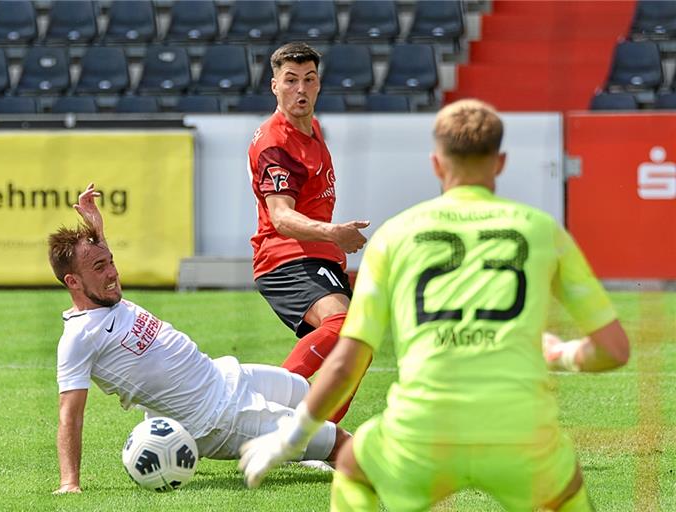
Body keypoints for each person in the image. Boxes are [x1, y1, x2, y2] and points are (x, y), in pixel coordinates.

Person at [239, 99, 631, 511]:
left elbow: (348, 359)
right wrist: (563, 353)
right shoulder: (541, 230)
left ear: (436, 164)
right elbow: (614, 349)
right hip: (520, 435)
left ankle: (264, 406)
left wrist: (293, 436)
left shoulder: (397, 236)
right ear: (500, 163)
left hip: (420, 433)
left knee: (354, 467)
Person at [49, 183, 349, 494]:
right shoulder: (79, 337)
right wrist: (69, 483)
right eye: (100, 267)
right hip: (218, 416)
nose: (113, 273)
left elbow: (95, 261)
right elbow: (69, 414)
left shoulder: (104, 295)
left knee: (315, 397)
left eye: (111, 261)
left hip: (225, 375)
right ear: (72, 282)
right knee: (341, 441)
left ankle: (296, 451)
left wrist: (95, 226)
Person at [247, 42, 370, 423]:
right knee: (344, 327)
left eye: (309, 79)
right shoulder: (275, 144)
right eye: (290, 80)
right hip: (286, 257)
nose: (300, 89)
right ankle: (254, 408)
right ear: (274, 86)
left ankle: (316, 437)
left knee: (358, 345)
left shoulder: (312, 128)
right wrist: (334, 233)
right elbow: (281, 217)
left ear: (318, 85)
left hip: (318, 256)